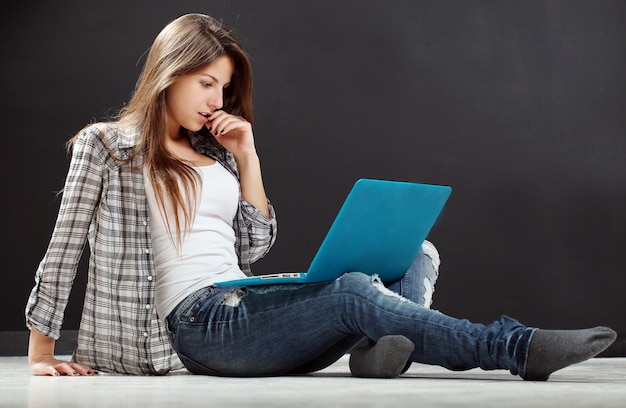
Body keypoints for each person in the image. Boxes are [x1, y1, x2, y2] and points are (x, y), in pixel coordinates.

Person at [26, 13, 615, 380]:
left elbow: (253, 245)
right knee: (355, 289)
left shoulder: (219, 154)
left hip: (243, 299)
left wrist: (249, 156)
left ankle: (378, 353)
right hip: (197, 327)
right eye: (206, 82)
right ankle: (512, 346)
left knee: (415, 254)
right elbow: (65, 245)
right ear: (168, 74)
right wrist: (40, 350)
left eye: (224, 87)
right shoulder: (110, 146)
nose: (216, 98)